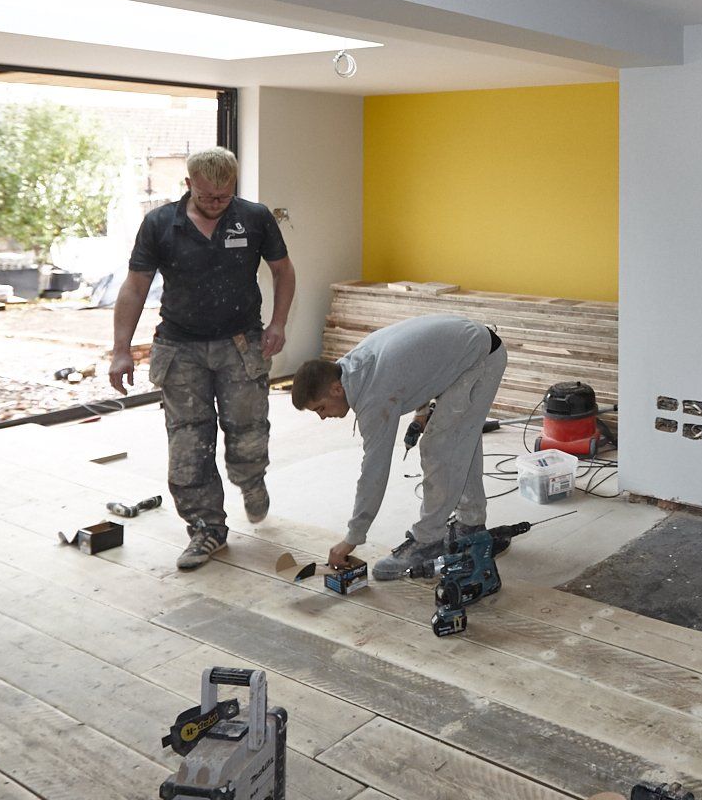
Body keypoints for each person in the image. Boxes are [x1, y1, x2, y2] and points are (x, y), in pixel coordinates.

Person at [108, 146, 295, 570]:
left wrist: (279, 324)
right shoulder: (160, 224)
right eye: (208, 196)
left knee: (247, 429)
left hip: (241, 344)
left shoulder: (254, 217)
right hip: (180, 348)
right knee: (189, 444)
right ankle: (206, 529)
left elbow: (283, 270)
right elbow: (135, 286)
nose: (216, 204)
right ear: (189, 184)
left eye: (224, 196)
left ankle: (251, 480)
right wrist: (121, 349)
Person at [289, 314, 507, 580]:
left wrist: (352, 538)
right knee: (461, 440)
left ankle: (428, 541)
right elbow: (418, 364)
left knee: (439, 448)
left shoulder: (373, 397)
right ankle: (471, 525)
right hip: (468, 346)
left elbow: (374, 471)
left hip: (479, 359)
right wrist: (421, 411)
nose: (322, 416)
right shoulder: (353, 367)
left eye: (320, 408)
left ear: (336, 389)